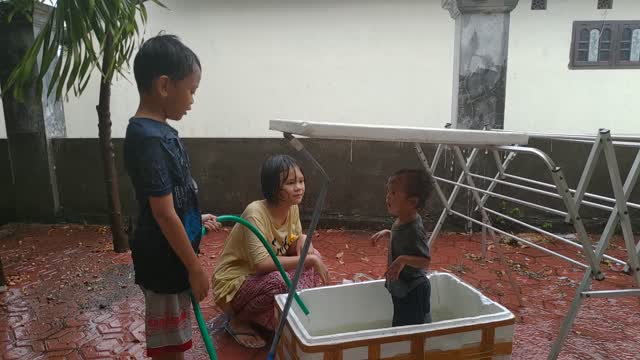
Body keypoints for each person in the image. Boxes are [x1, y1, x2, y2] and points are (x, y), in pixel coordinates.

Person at [123, 34, 221, 359]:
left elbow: (176, 200)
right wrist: (195, 268)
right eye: (191, 90)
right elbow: (164, 213)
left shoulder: (159, 132)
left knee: (176, 338)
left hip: (172, 256)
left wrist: (196, 220)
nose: (192, 100)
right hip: (164, 263)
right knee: (170, 347)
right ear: (165, 86)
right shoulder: (148, 140)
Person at [212, 154, 329, 348]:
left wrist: (300, 241)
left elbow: (289, 245)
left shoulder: (292, 207)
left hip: (261, 276)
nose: (299, 187)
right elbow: (261, 265)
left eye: (301, 180)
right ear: (274, 187)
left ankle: (281, 314)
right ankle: (237, 321)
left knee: (313, 256)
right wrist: (308, 261)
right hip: (235, 283)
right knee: (283, 280)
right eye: (291, 183)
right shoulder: (255, 213)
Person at [371, 169, 433, 327]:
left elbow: (425, 261)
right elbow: (405, 242)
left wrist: (402, 260)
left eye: (393, 193)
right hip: (402, 287)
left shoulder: (415, 229)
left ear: (412, 202)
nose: (387, 196)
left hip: (414, 290)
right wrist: (389, 233)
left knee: (412, 330)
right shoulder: (402, 221)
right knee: (400, 324)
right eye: (388, 191)